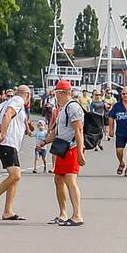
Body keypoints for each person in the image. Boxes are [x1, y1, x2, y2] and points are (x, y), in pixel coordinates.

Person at [0, 84, 33, 221]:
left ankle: (8, 211)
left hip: (11, 144)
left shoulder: (11, 102)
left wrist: (27, 129)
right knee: (16, 175)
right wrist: (3, 135)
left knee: (15, 178)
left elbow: (13, 119)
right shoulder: (18, 101)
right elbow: (7, 114)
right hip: (7, 143)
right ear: (27, 95)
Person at [47, 79, 86, 226]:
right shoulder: (62, 109)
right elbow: (57, 131)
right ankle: (63, 213)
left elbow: (79, 130)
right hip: (62, 148)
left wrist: (80, 152)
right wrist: (44, 142)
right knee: (58, 180)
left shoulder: (73, 107)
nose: (55, 96)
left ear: (63, 93)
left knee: (71, 180)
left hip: (71, 148)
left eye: (57, 93)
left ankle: (77, 215)